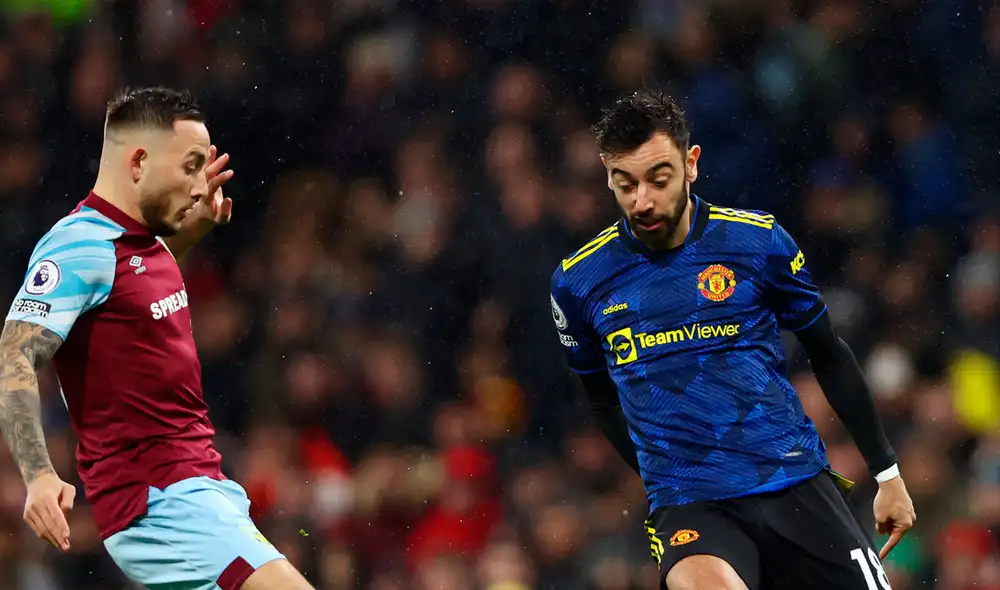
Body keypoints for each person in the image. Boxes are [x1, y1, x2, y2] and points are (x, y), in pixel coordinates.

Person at [549, 89, 916, 590]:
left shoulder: (756, 243)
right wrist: (663, 475)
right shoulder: (580, 283)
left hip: (794, 481)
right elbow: (598, 395)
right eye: (624, 183)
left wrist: (887, 473)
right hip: (693, 506)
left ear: (691, 164)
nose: (643, 201)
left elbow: (827, 352)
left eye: (659, 179)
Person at [0, 87, 315, 590]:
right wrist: (37, 475)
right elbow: (15, 350)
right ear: (139, 161)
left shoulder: (141, 244)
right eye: (190, 166)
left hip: (197, 487)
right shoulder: (78, 245)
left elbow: (133, 294)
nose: (198, 185)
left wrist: (193, 233)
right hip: (162, 500)